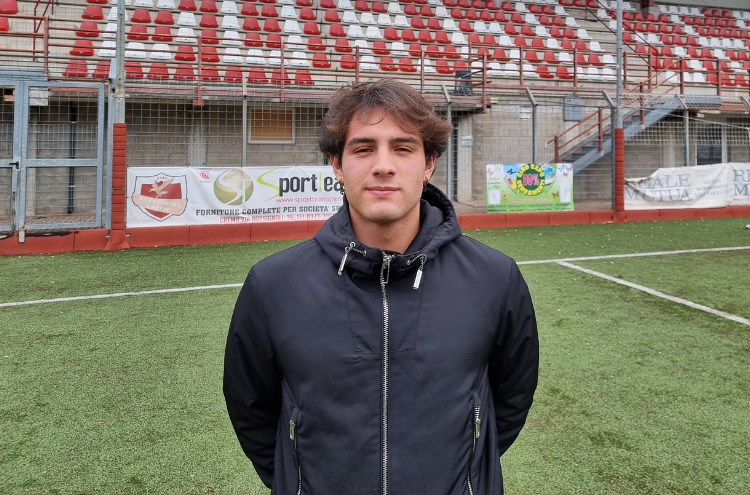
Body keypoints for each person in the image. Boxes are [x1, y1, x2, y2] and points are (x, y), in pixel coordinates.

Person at [223, 79, 539, 495]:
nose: (383, 165)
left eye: (403, 148)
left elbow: (513, 396)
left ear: (428, 164)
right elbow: (251, 408)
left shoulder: (495, 277)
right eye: (363, 148)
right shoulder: (273, 284)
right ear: (337, 165)